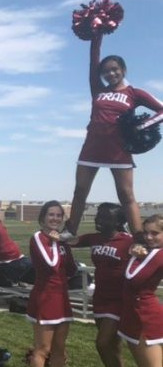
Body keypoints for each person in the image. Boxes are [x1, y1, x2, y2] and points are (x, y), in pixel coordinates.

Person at [65, 36, 163, 237]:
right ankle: (70, 231)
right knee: (80, 190)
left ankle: (138, 238)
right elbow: (93, 61)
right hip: (92, 146)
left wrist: (142, 126)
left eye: (115, 69)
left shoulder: (134, 93)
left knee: (126, 195)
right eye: (106, 71)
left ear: (123, 70)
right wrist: (97, 35)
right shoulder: (98, 89)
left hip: (118, 149)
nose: (110, 73)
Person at [67, 203, 135, 367]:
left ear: (117, 221)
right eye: (98, 215)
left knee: (102, 343)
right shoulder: (94, 238)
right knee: (113, 348)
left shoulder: (129, 241)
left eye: (104, 217)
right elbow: (69, 240)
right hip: (100, 299)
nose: (98, 220)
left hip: (119, 300)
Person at [27, 200, 79, 367]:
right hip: (45, 298)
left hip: (62, 298)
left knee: (59, 349)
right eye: (51, 215)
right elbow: (51, 264)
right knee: (42, 349)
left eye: (59, 215)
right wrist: (56, 241)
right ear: (43, 218)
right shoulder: (39, 238)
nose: (55, 219)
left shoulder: (61, 241)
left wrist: (61, 242)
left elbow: (72, 268)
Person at [119, 214, 163, 367]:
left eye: (155, 233)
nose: (149, 237)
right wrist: (134, 251)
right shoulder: (143, 251)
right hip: (132, 316)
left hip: (148, 317)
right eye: (146, 232)